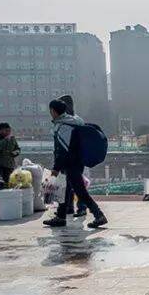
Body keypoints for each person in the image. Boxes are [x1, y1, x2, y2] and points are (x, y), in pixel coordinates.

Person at [43, 99, 107, 228]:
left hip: (70, 163)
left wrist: (56, 168)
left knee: (80, 191)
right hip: (77, 161)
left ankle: (99, 215)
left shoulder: (63, 127)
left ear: (53, 111)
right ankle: (60, 217)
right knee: (64, 190)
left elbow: (63, 150)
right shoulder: (74, 121)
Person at [57, 95, 87, 217]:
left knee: (75, 184)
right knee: (67, 185)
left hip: (74, 158)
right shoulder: (76, 120)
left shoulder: (73, 121)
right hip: (70, 158)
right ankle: (69, 208)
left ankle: (81, 207)